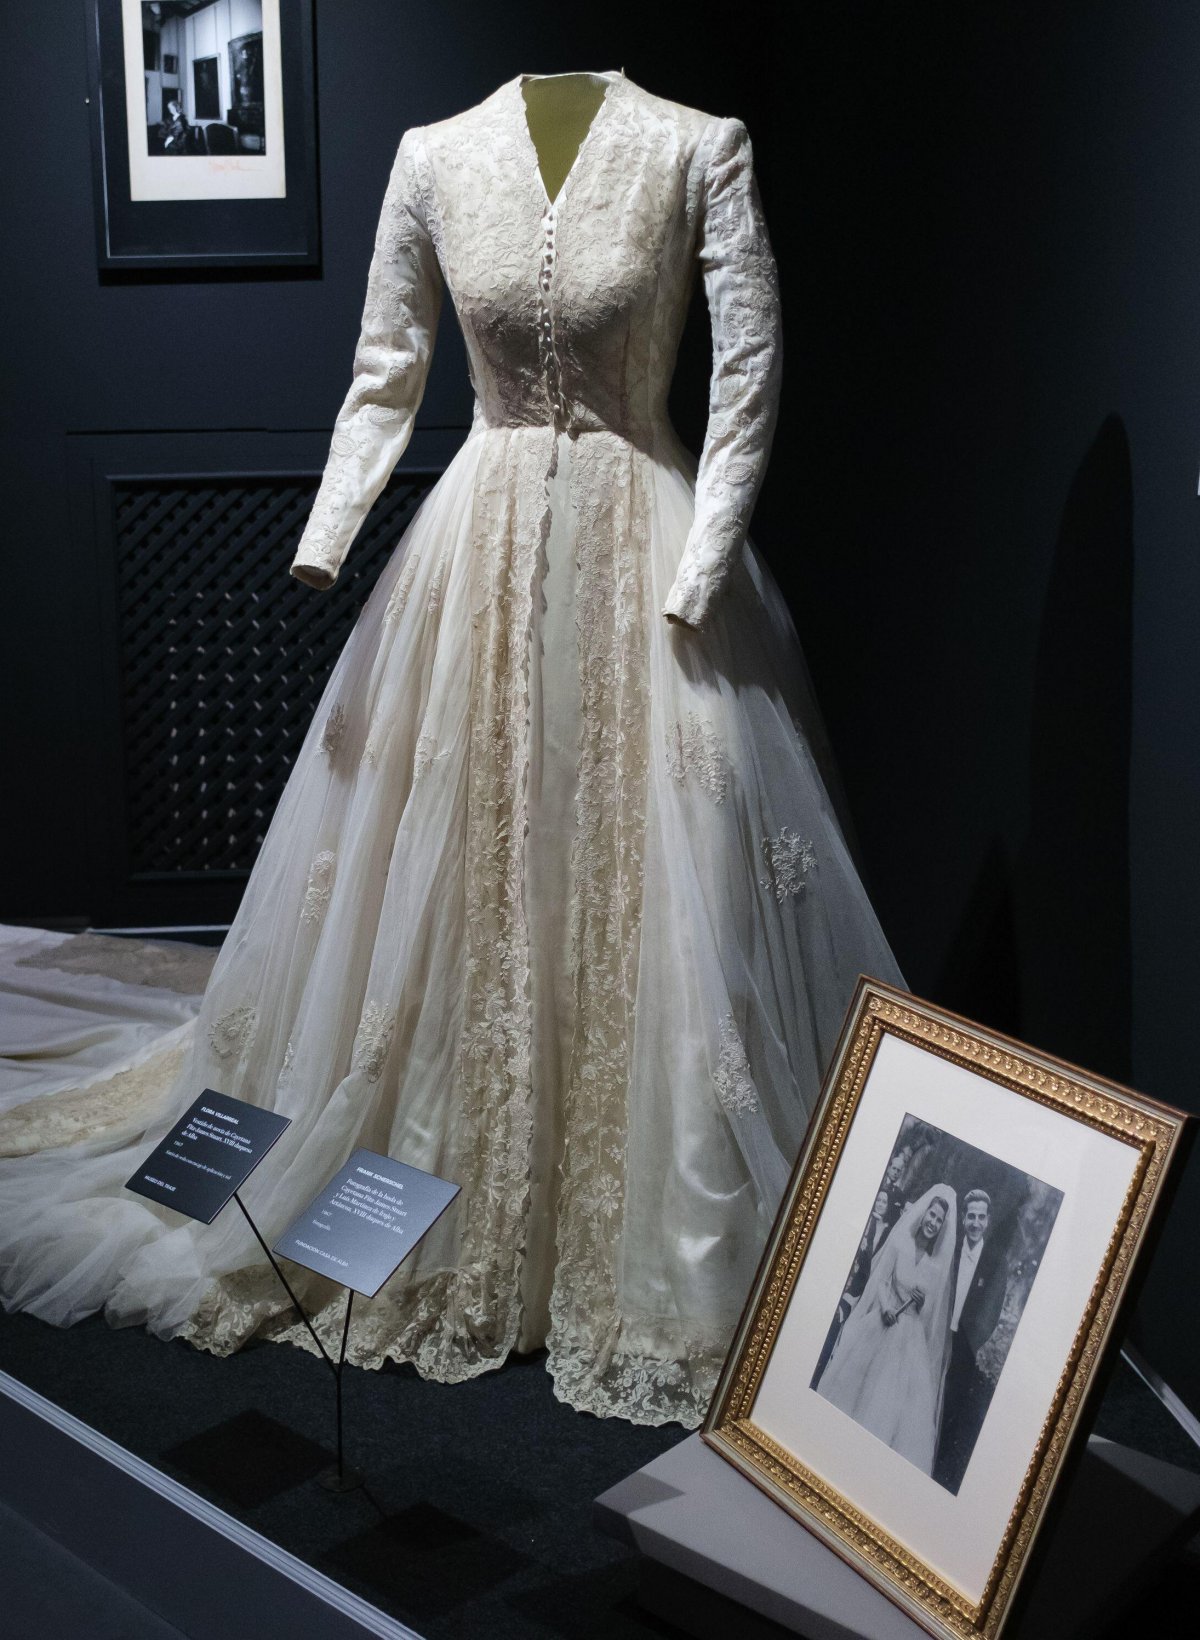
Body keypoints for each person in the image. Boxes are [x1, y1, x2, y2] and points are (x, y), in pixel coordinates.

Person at [0, 70, 904, 1430]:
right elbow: (386, 373)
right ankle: (433, 1203)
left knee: (666, 891)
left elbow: (750, 370)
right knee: (445, 881)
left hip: (647, 562)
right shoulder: (433, 155)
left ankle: (640, 1232)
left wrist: (709, 553)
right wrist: (329, 533)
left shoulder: (698, 147)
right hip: (469, 560)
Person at [816, 1185, 958, 1474]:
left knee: (893, 1405)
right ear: (923, 1215)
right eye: (931, 1215)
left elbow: (932, 1316)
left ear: (942, 1227)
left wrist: (921, 1303)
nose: (932, 1223)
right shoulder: (900, 1244)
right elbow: (881, 1280)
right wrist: (884, 1307)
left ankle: (869, 1466)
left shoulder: (934, 1268)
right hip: (882, 1322)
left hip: (910, 1338)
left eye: (938, 1221)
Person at [933, 1187, 1008, 1491]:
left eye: (981, 1217)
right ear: (963, 1218)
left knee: (950, 1405)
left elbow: (989, 1316)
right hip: (936, 1335)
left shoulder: (994, 1262)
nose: (975, 1223)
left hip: (964, 1347)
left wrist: (966, 1345)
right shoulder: (950, 1248)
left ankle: (934, 1470)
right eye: (971, 1216)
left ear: (988, 1221)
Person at [810, 1187, 892, 1386]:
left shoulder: (882, 1229)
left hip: (857, 1292)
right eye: (878, 1200)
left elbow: (870, 1267)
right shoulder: (864, 1224)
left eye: (885, 1202)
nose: (881, 1204)